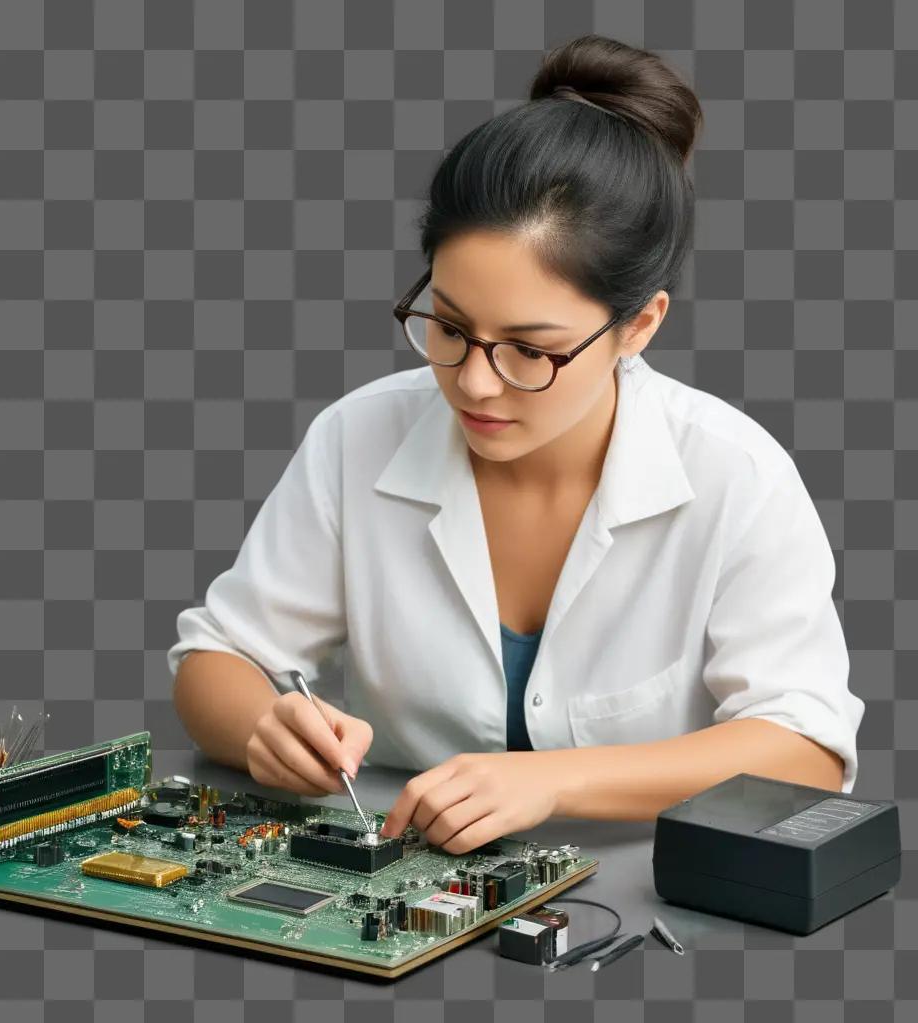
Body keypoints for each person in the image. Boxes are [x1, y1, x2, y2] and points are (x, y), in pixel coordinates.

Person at [168, 34, 864, 855]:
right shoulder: (358, 436)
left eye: (532, 350)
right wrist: (263, 725)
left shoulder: (736, 475)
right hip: (396, 894)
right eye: (450, 327)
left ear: (639, 325)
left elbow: (806, 748)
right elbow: (216, 658)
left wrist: (557, 779)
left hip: (639, 907)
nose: (475, 383)